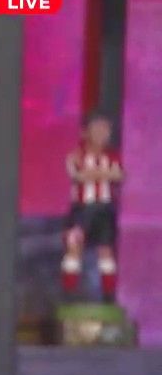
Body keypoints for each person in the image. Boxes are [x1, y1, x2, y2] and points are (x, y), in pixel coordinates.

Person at [62, 111, 123, 301]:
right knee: (74, 247)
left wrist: (94, 174)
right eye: (97, 129)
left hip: (104, 210)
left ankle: (108, 295)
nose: (102, 134)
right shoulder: (76, 156)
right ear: (85, 132)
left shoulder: (113, 157)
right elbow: (79, 175)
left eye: (105, 129)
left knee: (106, 250)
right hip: (81, 210)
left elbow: (119, 175)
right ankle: (69, 292)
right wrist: (103, 174)